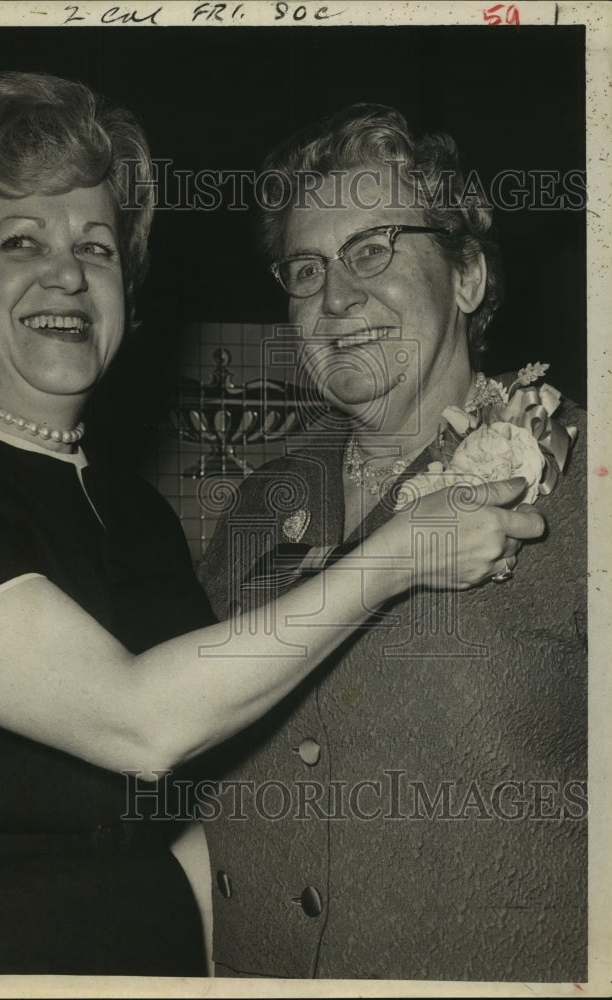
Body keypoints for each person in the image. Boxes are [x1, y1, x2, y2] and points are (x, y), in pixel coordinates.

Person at [0, 77, 543, 978]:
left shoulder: (143, 514)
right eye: (19, 240)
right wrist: (398, 555)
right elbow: (145, 722)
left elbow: (196, 812)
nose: (66, 273)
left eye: (96, 247)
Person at [197, 104, 587, 981]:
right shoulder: (258, 504)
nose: (335, 298)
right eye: (305, 269)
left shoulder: (588, 480)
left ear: (466, 276)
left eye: (372, 249)